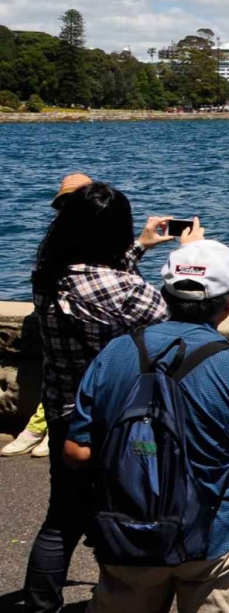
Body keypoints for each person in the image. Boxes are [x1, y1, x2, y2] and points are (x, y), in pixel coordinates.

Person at [66, 229, 229, 613]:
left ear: (165, 294)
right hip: (213, 535)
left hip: (127, 532)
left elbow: (76, 451)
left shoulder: (115, 353)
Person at [25, 178, 174, 613]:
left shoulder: (46, 276)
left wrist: (141, 247)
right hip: (118, 419)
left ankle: (40, 605)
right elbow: (173, 318)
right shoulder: (124, 290)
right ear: (116, 233)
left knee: (64, 516)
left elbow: (94, 273)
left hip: (62, 409)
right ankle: (119, 601)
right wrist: (189, 255)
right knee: (126, 509)